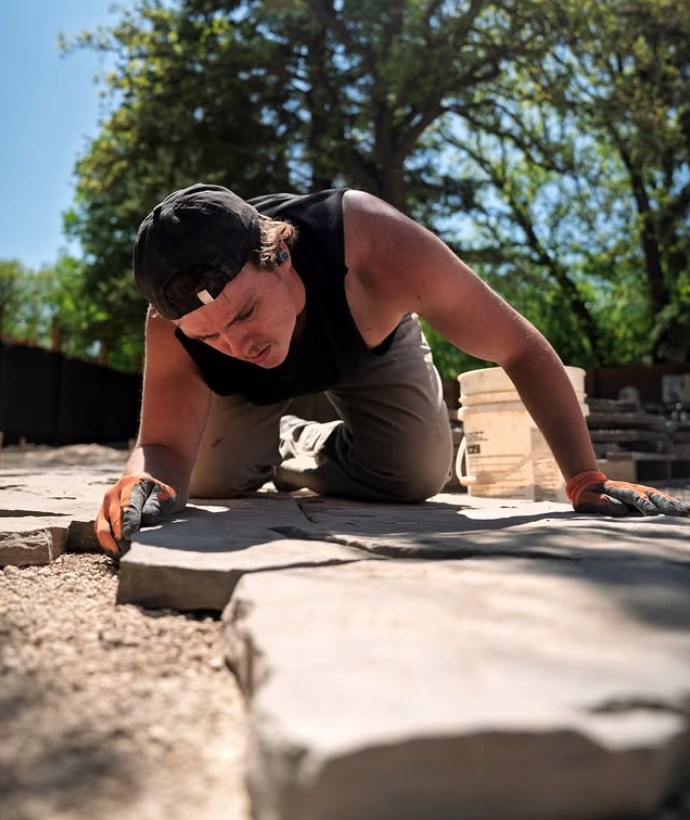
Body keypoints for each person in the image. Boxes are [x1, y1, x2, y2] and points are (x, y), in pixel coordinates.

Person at [95, 184, 689, 556]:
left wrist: (586, 479)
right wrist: (141, 484)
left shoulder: (373, 243)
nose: (235, 342)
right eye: (209, 336)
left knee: (415, 477)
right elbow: (162, 447)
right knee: (211, 481)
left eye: (246, 312)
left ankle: (297, 440)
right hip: (243, 399)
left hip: (368, 343)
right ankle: (273, 438)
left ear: (279, 254)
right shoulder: (172, 326)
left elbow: (518, 347)